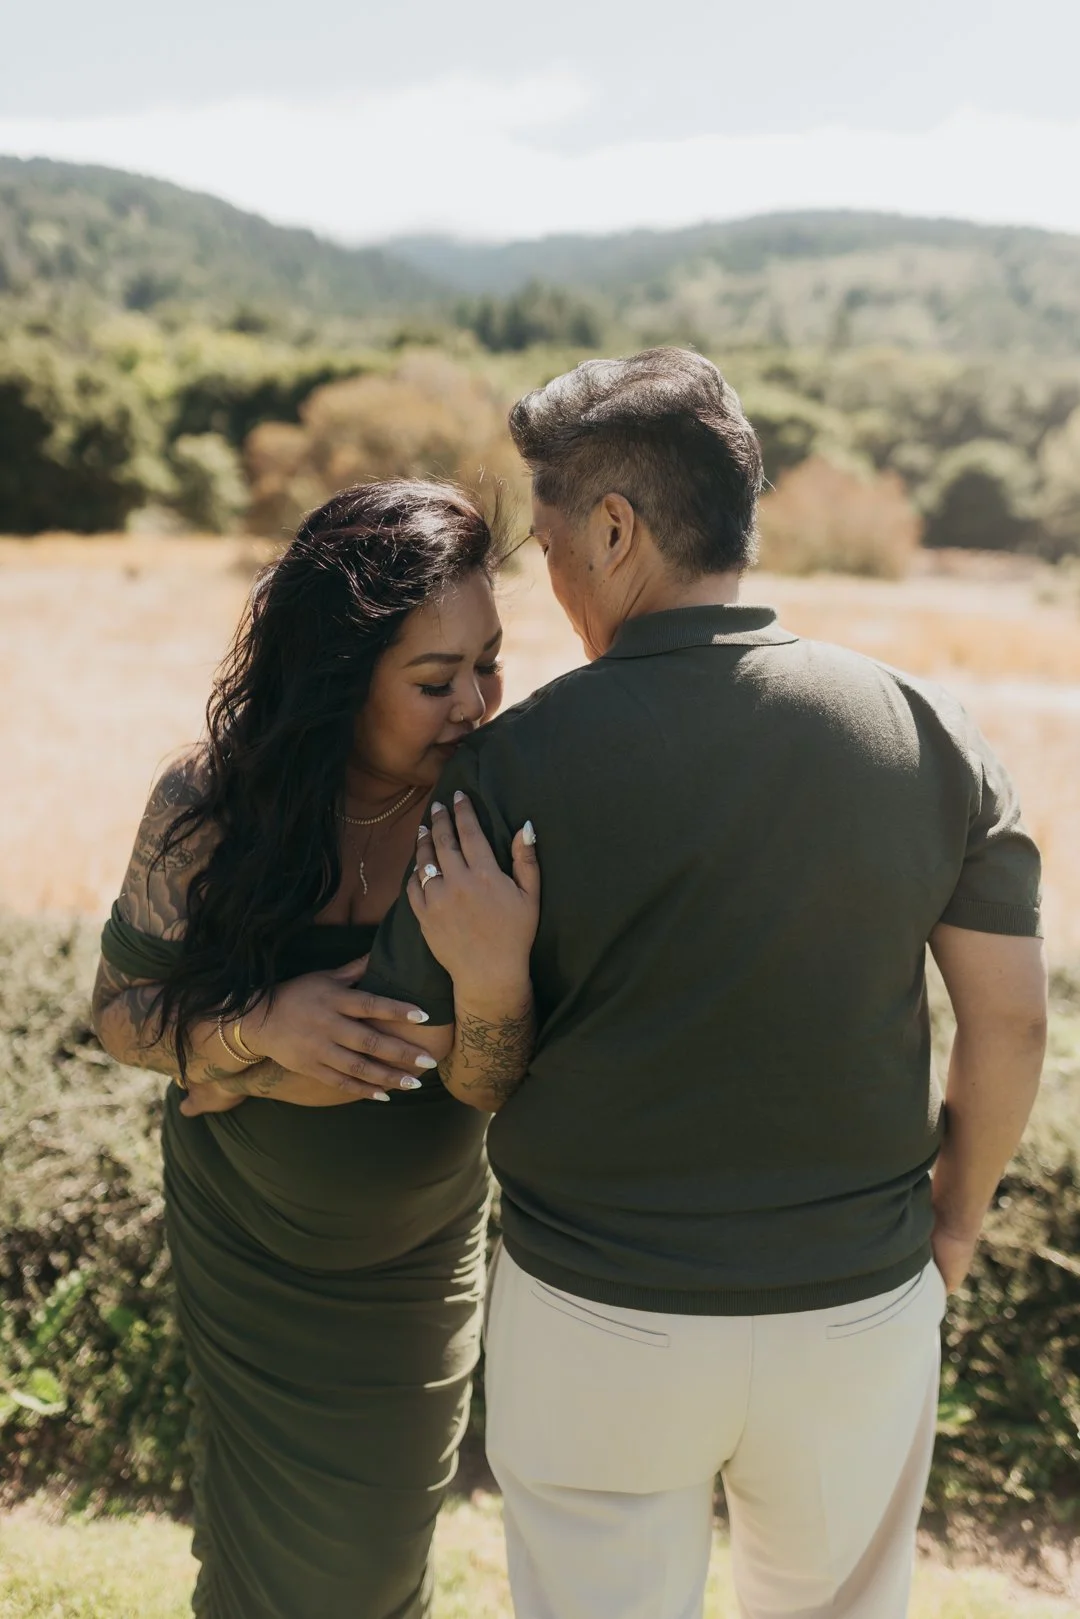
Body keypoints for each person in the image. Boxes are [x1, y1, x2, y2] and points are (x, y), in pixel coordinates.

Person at [362, 350, 1049, 1619]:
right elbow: (1009, 1019)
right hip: (859, 1305)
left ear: (615, 529)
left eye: (556, 541)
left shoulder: (507, 767)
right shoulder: (928, 729)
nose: (553, 579)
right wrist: (952, 1222)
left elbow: (464, 1068)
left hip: (595, 1319)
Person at [90, 480, 540, 1619]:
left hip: (418, 1251)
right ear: (337, 675)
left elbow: (507, 1066)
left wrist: (488, 984)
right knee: (250, 1554)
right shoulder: (212, 805)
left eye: (490, 662)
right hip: (244, 1240)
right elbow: (120, 1012)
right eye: (436, 680)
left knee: (379, 1554)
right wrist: (256, 1029)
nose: (477, 702)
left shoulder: (500, 807)